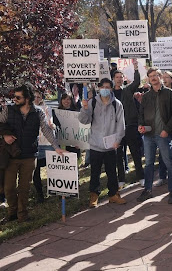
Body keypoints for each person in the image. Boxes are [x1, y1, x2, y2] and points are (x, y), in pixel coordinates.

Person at [0, 84, 65, 223]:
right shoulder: (8, 110)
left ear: (27, 99)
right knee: (9, 187)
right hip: (11, 155)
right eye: (14, 97)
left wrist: (56, 147)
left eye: (18, 97)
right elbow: (0, 123)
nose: (15, 99)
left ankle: (22, 215)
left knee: (24, 188)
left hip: (29, 155)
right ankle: (12, 213)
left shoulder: (38, 113)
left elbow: (46, 130)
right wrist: (5, 135)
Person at [79, 78, 127, 208]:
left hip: (111, 146)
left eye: (108, 87)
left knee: (112, 172)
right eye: (103, 87)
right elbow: (84, 120)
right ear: (99, 88)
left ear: (111, 89)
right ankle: (94, 196)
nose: (105, 89)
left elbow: (121, 125)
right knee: (95, 172)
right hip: (95, 144)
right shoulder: (92, 103)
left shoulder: (117, 104)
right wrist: (84, 108)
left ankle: (113, 195)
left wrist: (118, 140)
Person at [136, 68, 172, 204]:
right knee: (148, 164)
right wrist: (140, 125)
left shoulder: (170, 94)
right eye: (151, 76)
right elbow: (141, 114)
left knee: (169, 163)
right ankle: (147, 190)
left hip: (163, 135)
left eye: (155, 75)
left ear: (161, 77)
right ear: (148, 79)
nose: (153, 78)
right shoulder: (147, 96)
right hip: (149, 135)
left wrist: (167, 129)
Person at [112, 60, 143, 188]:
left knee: (135, 153)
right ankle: (121, 179)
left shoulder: (127, 90)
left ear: (123, 79)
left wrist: (136, 68)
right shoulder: (109, 93)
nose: (119, 79)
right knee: (119, 155)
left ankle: (141, 177)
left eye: (121, 77)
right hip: (116, 128)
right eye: (117, 77)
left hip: (130, 125)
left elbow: (136, 82)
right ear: (113, 79)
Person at [32, 90, 55, 203]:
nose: (36, 99)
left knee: (53, 167)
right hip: (36, 143)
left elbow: (51, 121)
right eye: (34, 97)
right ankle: (40, 194)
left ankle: (56, 190)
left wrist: (52, 125)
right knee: (35, 170)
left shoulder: (47, 108)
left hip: (47, 142)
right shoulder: (29, 110)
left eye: (38, 97)